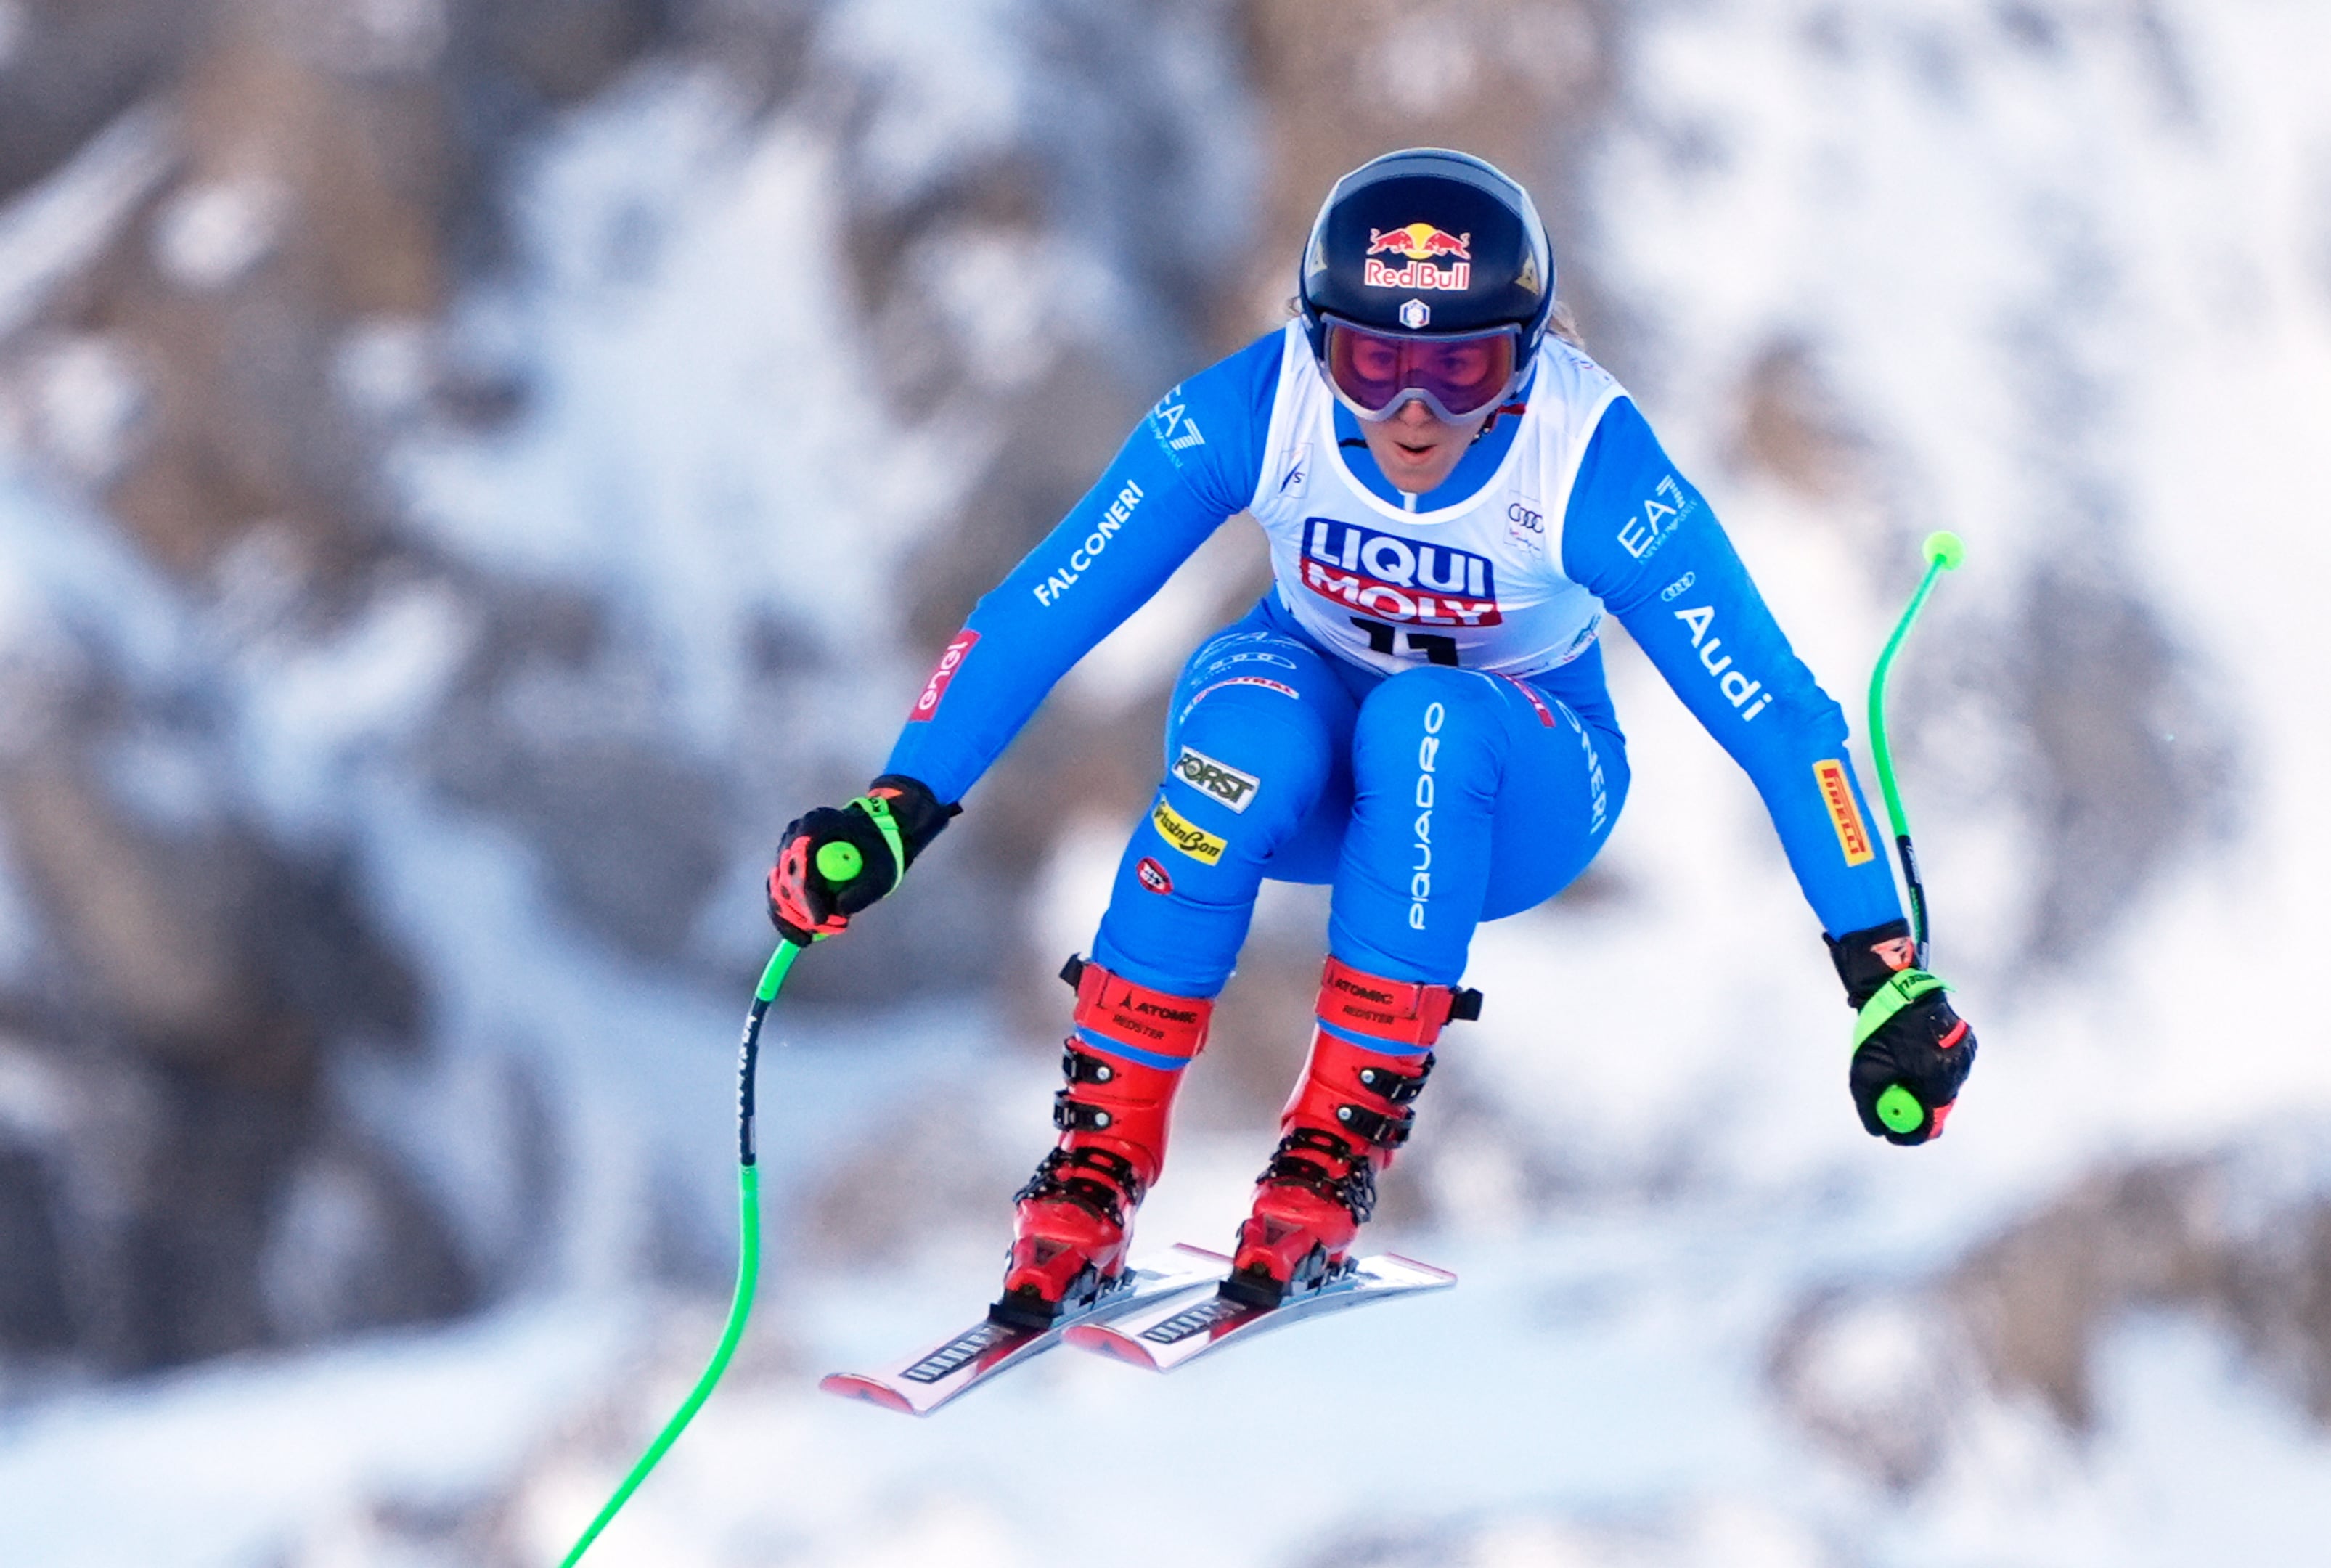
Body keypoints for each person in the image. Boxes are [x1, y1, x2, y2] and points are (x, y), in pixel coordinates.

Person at [765, 149, 1977, 1324]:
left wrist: (1884, 972)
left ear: (1529, 354)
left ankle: (1328, 1157)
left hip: (1521, 788)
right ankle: (1093, 1169)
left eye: (1460, 371)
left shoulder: (1586, 461)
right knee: (1239, 732)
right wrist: (899, 806)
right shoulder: (1261, 406)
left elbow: (1780, 716)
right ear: (1315, 340)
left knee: (1426, 716)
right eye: (1371, 361)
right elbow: (1045, 605)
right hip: (1311, 756)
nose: (1411, 411)